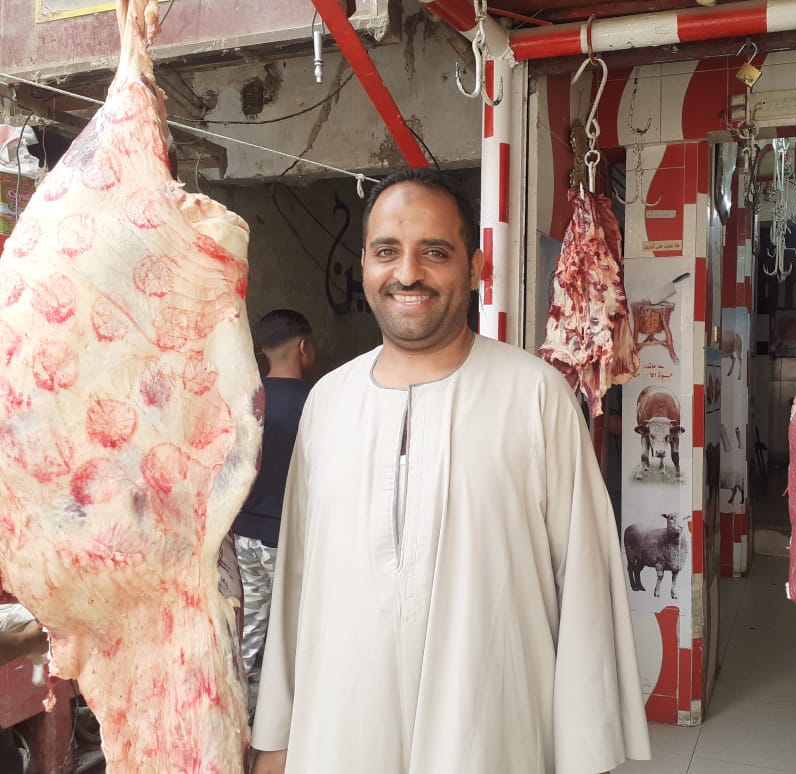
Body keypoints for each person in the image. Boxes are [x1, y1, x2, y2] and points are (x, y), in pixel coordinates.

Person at [251, 169, 650, 774]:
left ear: (476, 268)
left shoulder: (535, 396)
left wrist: (586, 750)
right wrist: (277, 736)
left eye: (434, 252)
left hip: (492, 735)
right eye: (387, 251)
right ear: (365, 265)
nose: (407, 273)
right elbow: (295, 583)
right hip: (340, 730)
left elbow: (586, 587)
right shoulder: (328, 402)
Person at [234, 309, 316, 719]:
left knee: (249, 630)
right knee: (297, 633)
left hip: (244, 536)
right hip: (288, 541)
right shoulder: (315, 403)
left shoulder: (245, 402)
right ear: (304, 348)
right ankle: (290, 722)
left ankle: (238, 717)